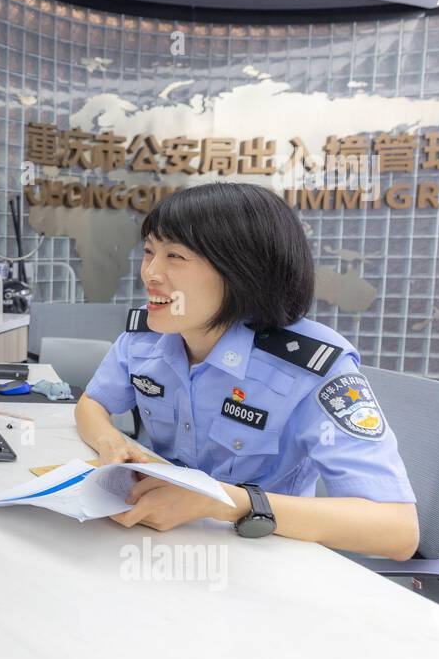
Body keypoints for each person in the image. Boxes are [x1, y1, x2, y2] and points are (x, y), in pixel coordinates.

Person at [76, 181, 419, 561]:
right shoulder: (146, 337)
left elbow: (397, 531)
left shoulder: (312, 365)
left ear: (241, 271)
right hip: (157, 542)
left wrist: (220, 501)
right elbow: (91, 403)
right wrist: (110, 440)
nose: (150, 273)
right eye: (149, 252)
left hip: (261, 555)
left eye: (175, 256)